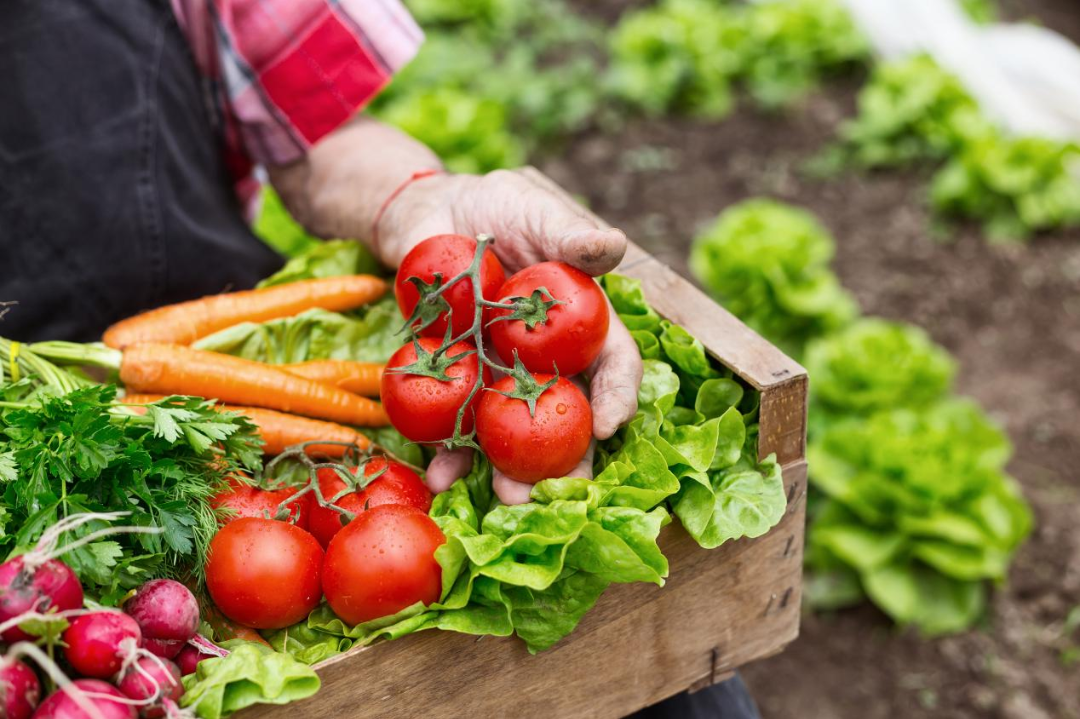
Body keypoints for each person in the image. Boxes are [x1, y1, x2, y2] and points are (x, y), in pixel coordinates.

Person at [0, 0, 757, 715]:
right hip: (36, 488)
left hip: (216, 342)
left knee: (659, 665)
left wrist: (420, 205)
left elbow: (318, 136)